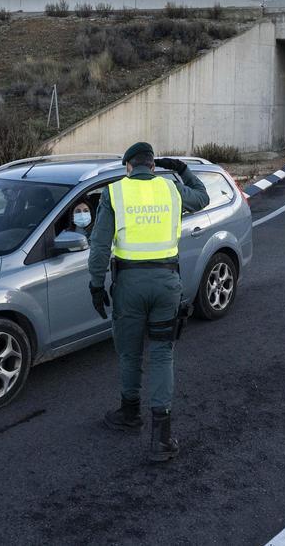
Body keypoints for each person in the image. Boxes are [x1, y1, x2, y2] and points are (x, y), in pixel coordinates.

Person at [87, 142, 209, 463]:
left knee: (129, 353)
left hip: (128, 284)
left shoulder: (114, 193)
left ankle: (129, 415)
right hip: (167, 284)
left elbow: (99, 247)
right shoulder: (172, 190)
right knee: (161, 355)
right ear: (153, 166)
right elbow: (203, 195)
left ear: (128, 166)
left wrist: (96, 286)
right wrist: (181, 168)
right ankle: (161, 439)